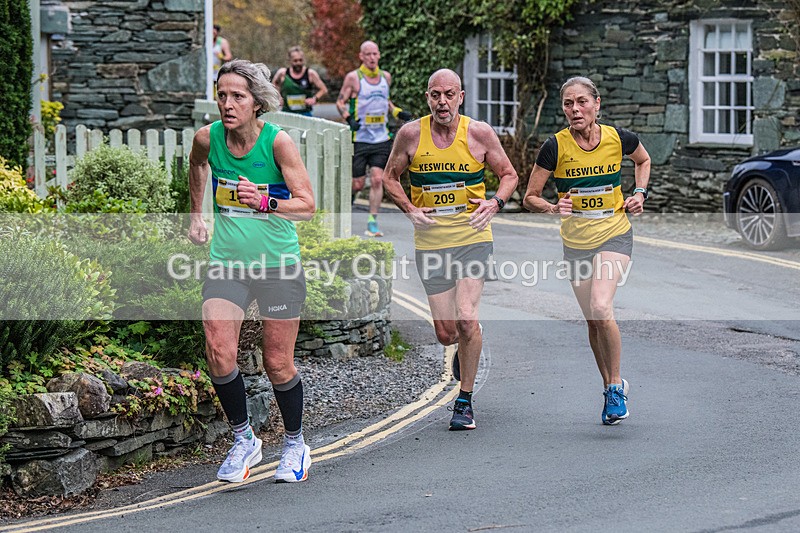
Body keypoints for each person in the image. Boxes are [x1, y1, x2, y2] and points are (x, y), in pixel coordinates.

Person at [188, 59, 316, 482]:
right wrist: (196, 216)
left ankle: (295, 444)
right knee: (219, 349)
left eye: (237, 96)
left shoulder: (278, 144)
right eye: (222, 95)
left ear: (256, 102)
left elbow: (308, 206)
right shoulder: (208, 139)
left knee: (278, 361)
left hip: (278, 263)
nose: (227, 103)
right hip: (228, 262)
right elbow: (196, 166)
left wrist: (265, 202)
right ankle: (245, 440)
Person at [383, 68, 518, 430]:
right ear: (428, 98)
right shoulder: (411, 134)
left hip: (473, 236)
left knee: (466, 317)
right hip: (431, 243)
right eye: (435, 95)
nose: (442, 101)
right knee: (446, 332)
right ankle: (466, 344)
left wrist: (495, 204)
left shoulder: (479, 133)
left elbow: (508, 174)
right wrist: (410, 209)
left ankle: (464, 400)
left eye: (449, 94)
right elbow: (389, 178)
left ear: (461, 97)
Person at [523, 76, 651, 426]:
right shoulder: (555, 147)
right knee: (593, 321)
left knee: (600, 305)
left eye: (581, 102)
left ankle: (614, 388)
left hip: (615, 234)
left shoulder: (617, 138)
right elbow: (529, 197)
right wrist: (551, 207)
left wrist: (640, 193)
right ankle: (611, 385)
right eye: (568, 103)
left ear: (597, 104)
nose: (575, 109)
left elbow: (643, 160)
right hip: (576, 243)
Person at [337, 40, 413, 237]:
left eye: (375, 54)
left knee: (378, 179)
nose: (372, 58)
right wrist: (348, 118)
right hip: (360, 138)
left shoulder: (385, 77)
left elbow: (385, 101)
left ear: (379, 55)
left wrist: (398, 112)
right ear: (361, 56)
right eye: (368, 54)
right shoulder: (354, 78)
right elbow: (340, 102)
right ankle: (351, 197)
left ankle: (372, 222)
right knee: (358, 184)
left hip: (381, 138)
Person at [272, 46, 328, 117]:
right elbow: (274, 85)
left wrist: (314, 99)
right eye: (295, 61)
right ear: (290, 60)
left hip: (305, 114)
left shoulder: (310, 74)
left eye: (300, 60)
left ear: (303, 60)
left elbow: (324, 90)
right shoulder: (282, 73)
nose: (298, 63)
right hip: (287, 113)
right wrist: (278, 97)